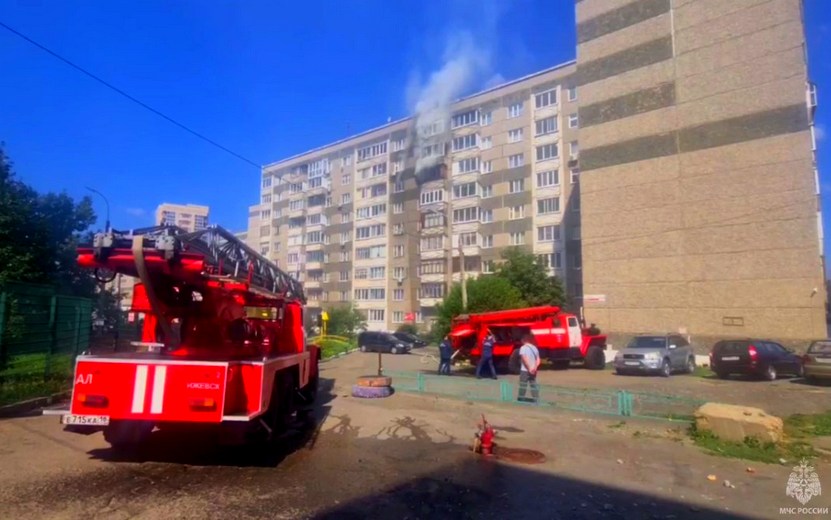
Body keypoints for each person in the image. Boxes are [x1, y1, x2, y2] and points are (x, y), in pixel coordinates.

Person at [517, 333, 540, 403]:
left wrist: (529, 368)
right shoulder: (534, 348)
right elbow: (538, 359)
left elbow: (524, 359)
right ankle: (536, 398)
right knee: (533, 384)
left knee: (523, 384)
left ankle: (521, 398)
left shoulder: (523, 348)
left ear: (523, 340)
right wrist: (535, 367)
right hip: (533, 370)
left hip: (525, 370)